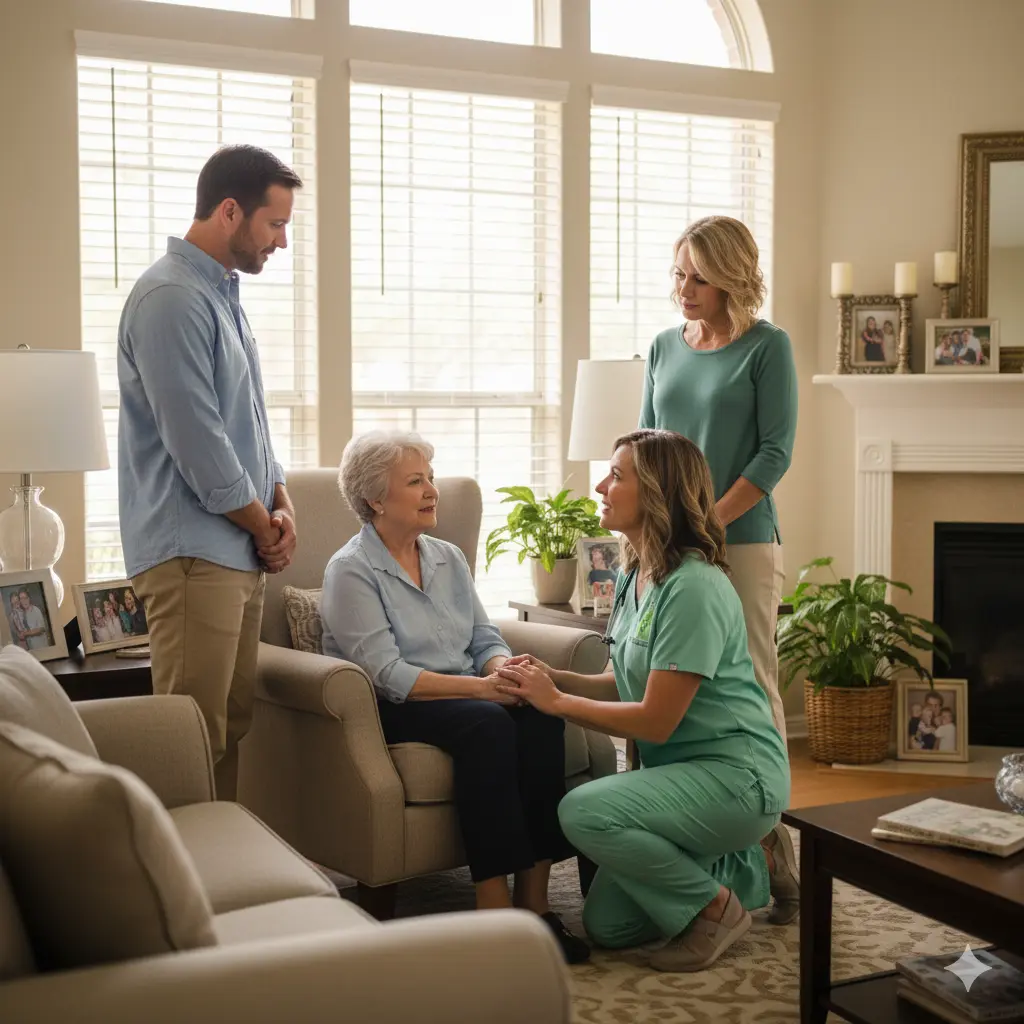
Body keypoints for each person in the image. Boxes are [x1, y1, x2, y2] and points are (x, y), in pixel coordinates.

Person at [496, 430, 796, 971]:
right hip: (678, 779)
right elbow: (623, 682)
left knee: (581, 811)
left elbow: (655, 721)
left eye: (616, 475)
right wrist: (554, 678)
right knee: (609, 926)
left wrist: (555, 703)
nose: (600, 486)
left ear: (658, 491)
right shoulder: (636, 573)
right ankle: (756, 860)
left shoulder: (694, 587)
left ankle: (717, 910)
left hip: (737, 777)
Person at [319, 430, 590, 964]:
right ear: (375, 499)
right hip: (396, 707)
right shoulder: (350, 569)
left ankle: (535, 903)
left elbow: (484, 638)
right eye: (414, 481)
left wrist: (505, 671)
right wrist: (483, 690)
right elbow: (386, 673)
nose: (431, 490)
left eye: (431, 477)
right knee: (486, 724)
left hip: (466, 694)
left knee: (540, 715)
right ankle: (492, 906)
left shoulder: (448, 557)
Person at [117, 144, 301, 800]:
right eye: (274, 224)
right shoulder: (171, 297)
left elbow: (248, 420)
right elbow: (198, 442)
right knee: (189, 742)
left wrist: (281, 499)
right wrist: (262, 524)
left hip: (236, 549)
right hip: (194, 555)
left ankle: (218, 865)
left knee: (227, 730)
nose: (281, 242)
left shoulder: (221, 295)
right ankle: (176, 868)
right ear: (229, 212)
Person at [638, 216, 797, 748]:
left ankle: (769, 796)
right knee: (666, 670)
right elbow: (645, 448)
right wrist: (650, 529)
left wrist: (707, 522)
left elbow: (774, 453)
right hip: (668, 539)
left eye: (699, 278)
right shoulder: (663, 347)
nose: (684, 289)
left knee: (752, 671)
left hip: (743, 538)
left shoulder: (767, 346)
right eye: (679, 274)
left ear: (730, 278)